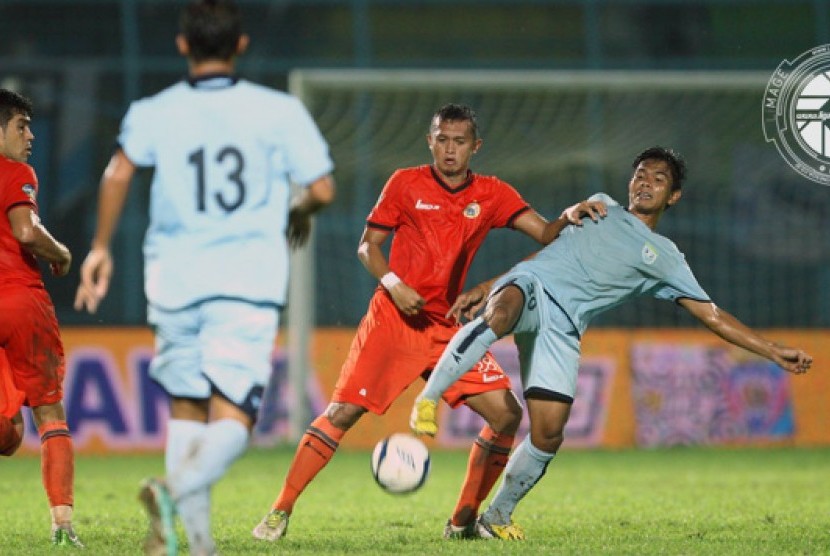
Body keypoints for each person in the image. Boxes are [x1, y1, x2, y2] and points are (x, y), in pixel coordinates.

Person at [410, 146, 814, 540]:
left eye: (658, 180)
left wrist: (772, 350)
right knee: (502, 311)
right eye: (640, 174)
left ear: (673, 196)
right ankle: (428, 399)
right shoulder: (600, 205)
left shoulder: (666, 257)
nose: (645, 183)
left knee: (549, 433)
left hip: (564, 326)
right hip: (531, 287)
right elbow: (549, 254)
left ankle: (496, 516)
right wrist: (489, 285)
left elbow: (711, 315)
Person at [252, 102, 606, 542]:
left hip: (449, 329)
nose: (450, 150)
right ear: (430, 141)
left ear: (475, 147)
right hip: (393, 320)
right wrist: (394, 283)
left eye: (459, 142)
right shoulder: (405, 183)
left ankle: (461, 522)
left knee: (506, 415)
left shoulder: (492, 194)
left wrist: (569, 215)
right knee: (342, 412)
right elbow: (368, 246)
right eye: (442, 140)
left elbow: (547, 234)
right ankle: (279, 512)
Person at [73, 1, 335, 554]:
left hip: (172, 280)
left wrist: (100, 247)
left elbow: (118, 171)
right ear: (240, 45)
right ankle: (175, 488)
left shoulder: (154, 110)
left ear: (183, 46)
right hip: (245, 282)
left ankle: (194, 544)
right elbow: (322, 189)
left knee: (187, 407)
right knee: (237, 417)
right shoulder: (277, 111)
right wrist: (297, 212)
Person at [0, 89, 83, 547]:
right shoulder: (16, 172)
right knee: (48, 413)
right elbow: (26, 231)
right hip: (19, 303)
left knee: (7, 435)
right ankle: (63, 525)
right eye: (20, 126)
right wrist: (63, 253)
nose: (29, 136)